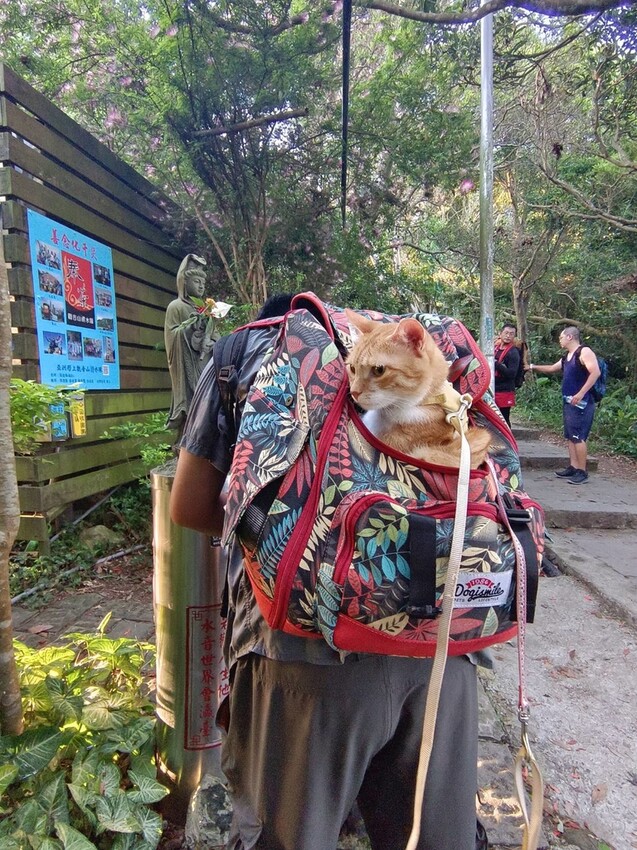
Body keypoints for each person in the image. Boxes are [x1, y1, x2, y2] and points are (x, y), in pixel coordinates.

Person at [170, 295, 482, 850]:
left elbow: (189, 507)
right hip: (442, 649)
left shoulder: (240, 350)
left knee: (292, 832)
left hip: (304, 658)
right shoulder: (430, 357)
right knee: (428, 834)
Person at [529, 326, 600, 485]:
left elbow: (595, 372)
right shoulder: (567, 356)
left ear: (569, 337)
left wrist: (581, 392)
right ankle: (573, 467)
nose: (559, 340)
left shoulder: (584, 352)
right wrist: (532, 367)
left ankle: (582, 471)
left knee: (579, 437)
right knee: (570, 436)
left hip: (582, 402)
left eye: (561, 337)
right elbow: (552, 368)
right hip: (569, 401)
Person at [164, 254, 216, 438]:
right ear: (184, 283)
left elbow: (216, 336)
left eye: (203, 282)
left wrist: (212, 341)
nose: (201, 286)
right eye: (196, 281)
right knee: (191, 404)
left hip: (204, 364)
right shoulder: (176, 307)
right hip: (186, 366)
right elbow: (172, 337)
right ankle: (185, 441)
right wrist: (191, 328)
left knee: (207, 403)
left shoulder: (205, 310)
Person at [493, 322, 521, 426]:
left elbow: (511, 374)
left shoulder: (513, 352)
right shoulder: (494, 349)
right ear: (500, 334)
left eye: (511, 334)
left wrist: (496, 364)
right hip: (492, 388)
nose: (508, 336)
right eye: (506, 333)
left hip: (505, 390)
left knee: (503, 418)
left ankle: (507, 441)